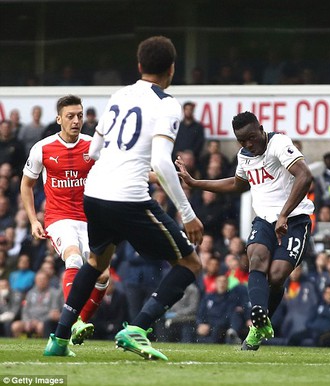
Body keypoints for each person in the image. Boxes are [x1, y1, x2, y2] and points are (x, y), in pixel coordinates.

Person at [43, 36, 204, 361]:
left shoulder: (119, 95)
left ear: (140, 66)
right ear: (172, 69)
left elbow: (95, 149)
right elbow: (161, 161)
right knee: (190, 262)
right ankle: (138, 328)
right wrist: (187, 212)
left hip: (96, 192)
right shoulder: (167, 103)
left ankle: (59, 339)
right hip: (128, 198)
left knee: (95, 262)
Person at [177, 110, 314, 351]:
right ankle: (258, 321)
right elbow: (237, 184)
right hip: (264, 220)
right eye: (242, 141)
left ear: (261, 129)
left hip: (294, 219)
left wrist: (284, 214)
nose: (249, 144)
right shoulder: (244, 156)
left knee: (277, 274)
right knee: (256, 257)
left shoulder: (279, 143)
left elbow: (305, 175)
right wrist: (196, 183)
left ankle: (260, 322)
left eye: (252, 137)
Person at [21, 94, 109, 346]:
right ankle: (75, 322)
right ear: (59, 118)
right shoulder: (43, 148)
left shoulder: (94, 146)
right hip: (59, 219)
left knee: (103, 277)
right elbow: (26, 185)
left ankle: (77, 326)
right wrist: (32, 220)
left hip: (91, 220)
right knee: (73, 257)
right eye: (70, 116)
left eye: (79, 116)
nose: (76, 120)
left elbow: (117, 171)